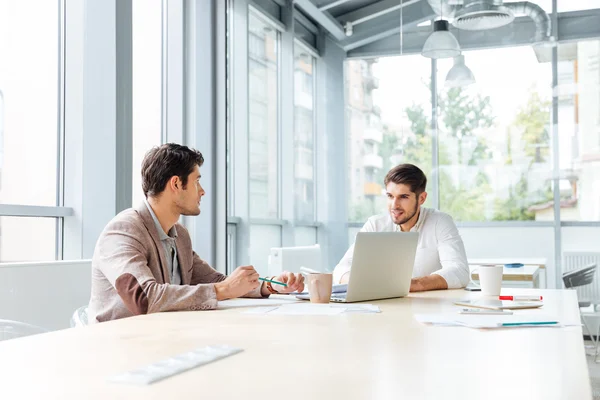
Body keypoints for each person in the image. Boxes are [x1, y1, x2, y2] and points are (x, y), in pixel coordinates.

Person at [89, 143, 304, 323]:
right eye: (196, 181)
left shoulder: (179, 235)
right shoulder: (123, 231)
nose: (202, 191)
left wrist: (270, 286)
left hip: (163, 338)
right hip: (120, 349)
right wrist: (223, 289)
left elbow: (219, 281)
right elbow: (144, 298)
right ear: (175, 183)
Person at [333, 164, 469, 292]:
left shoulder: (440, 222)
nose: (394, 205)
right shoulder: (375, 225)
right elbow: (341, 269)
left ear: (422, 198)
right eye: (390, 196)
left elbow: (459, 271)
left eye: (403, 197)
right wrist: (364, 283)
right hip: (383, 306)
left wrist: (413, 284)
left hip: (427, 307)